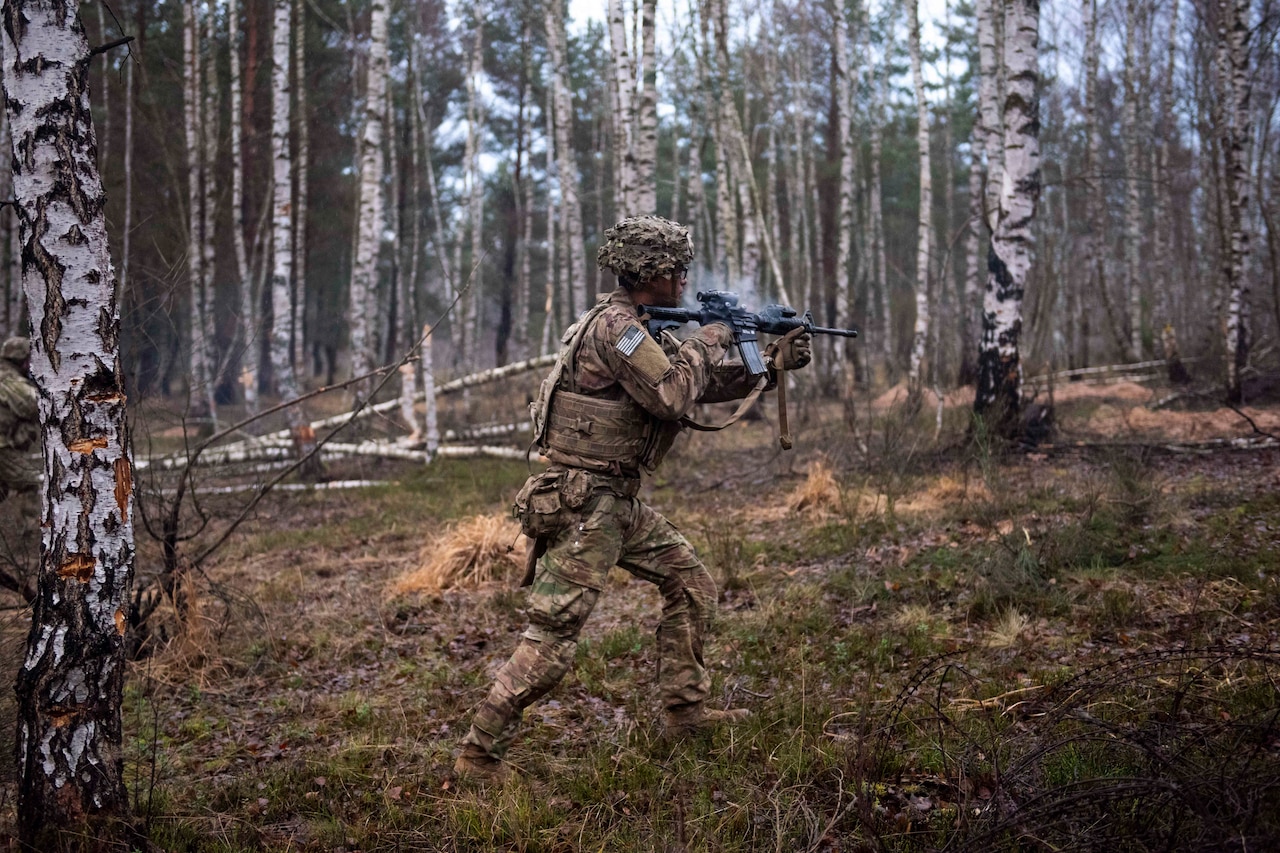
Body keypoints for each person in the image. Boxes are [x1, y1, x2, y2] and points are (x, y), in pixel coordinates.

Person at [453, 215, 812, 783]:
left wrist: (765, 367)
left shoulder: (642, 326)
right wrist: (714, 335)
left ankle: (686, 716)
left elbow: (686, 381)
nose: (686, 279)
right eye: (679, 270)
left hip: (615, 501)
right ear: (656, 272)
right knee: (552, 637)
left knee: (690, 584)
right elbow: (671, 395)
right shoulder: (617, 330)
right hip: (586, 505)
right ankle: (478, 755)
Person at [0, 336, 40, 503]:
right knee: (31, 483)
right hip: (2, 447)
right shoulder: (8, 378)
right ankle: (29, 527)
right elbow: (32, 406)